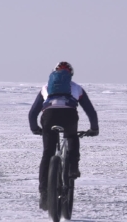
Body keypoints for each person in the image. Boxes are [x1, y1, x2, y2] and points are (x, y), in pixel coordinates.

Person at [28, 61, 99, 210]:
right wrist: (93, 129)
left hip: (49, 116)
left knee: (48, 153)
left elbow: (33, 112)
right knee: (72, 136)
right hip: (69, 115)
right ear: (70, 75)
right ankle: (72, 167)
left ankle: (44, 194)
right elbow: (91, 112)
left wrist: (35, 128)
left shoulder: (46, 88)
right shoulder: (77, 88)